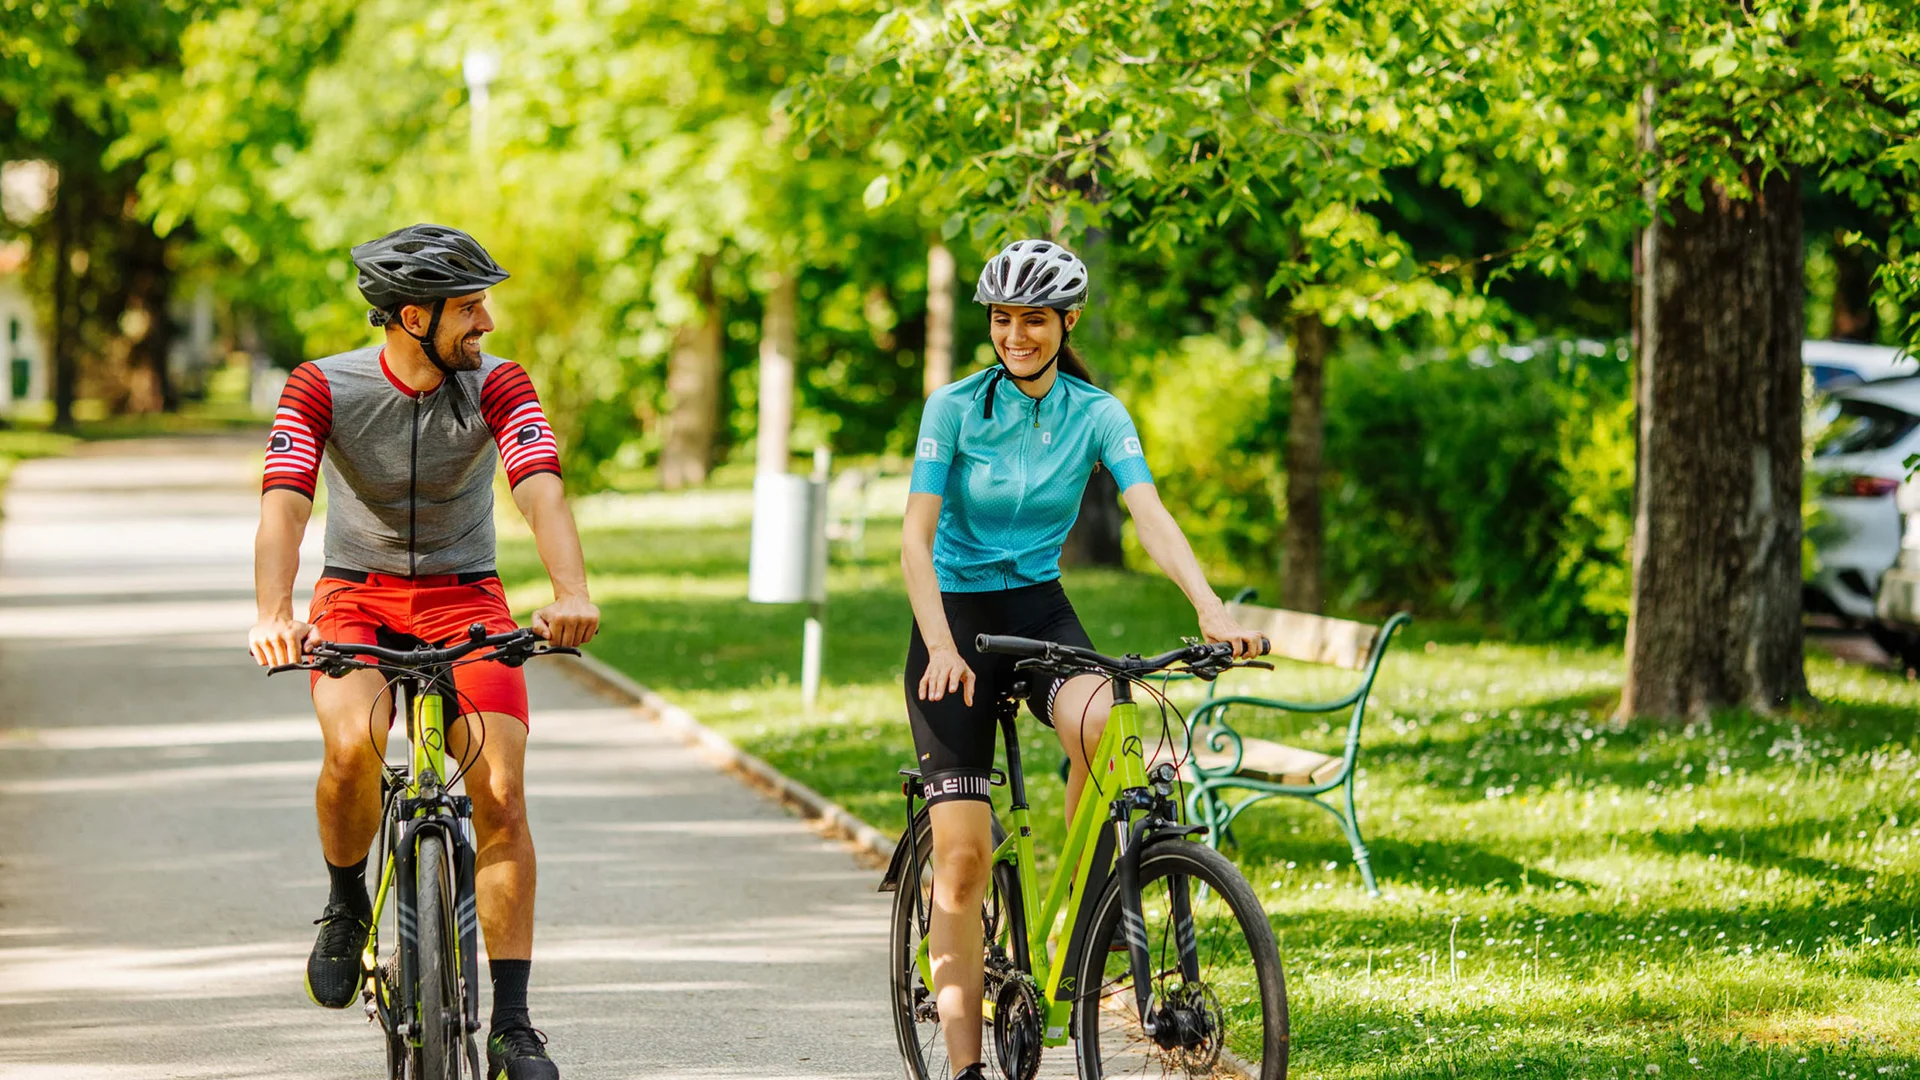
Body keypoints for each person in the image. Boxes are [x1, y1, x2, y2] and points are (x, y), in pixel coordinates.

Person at [901, 239, 1265, 1080]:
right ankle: (962, 1068)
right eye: (1002, 319)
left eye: (1034, 320)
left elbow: (1150, 512)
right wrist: (944, 646)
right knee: (961, 855)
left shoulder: (1098, 413)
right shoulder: (953, 407)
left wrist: (1210, 608)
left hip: (1037, 604)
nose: (1016, 335)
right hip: (951, 618)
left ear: (1067, 324)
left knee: (1113, 723)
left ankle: (1079, 923)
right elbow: (916, 538)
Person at [247, 224, 598, 1080]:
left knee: (503, 793)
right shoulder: (320, 386)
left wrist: (571, 592)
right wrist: (274, 613)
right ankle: (343, 902)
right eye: (469, 306)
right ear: (412, 315)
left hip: (466, 595)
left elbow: (539, 490)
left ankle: (513, 1027)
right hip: (355, 597)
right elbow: (286, 506)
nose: (486, 321)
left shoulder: (500, 384)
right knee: (351, 746)